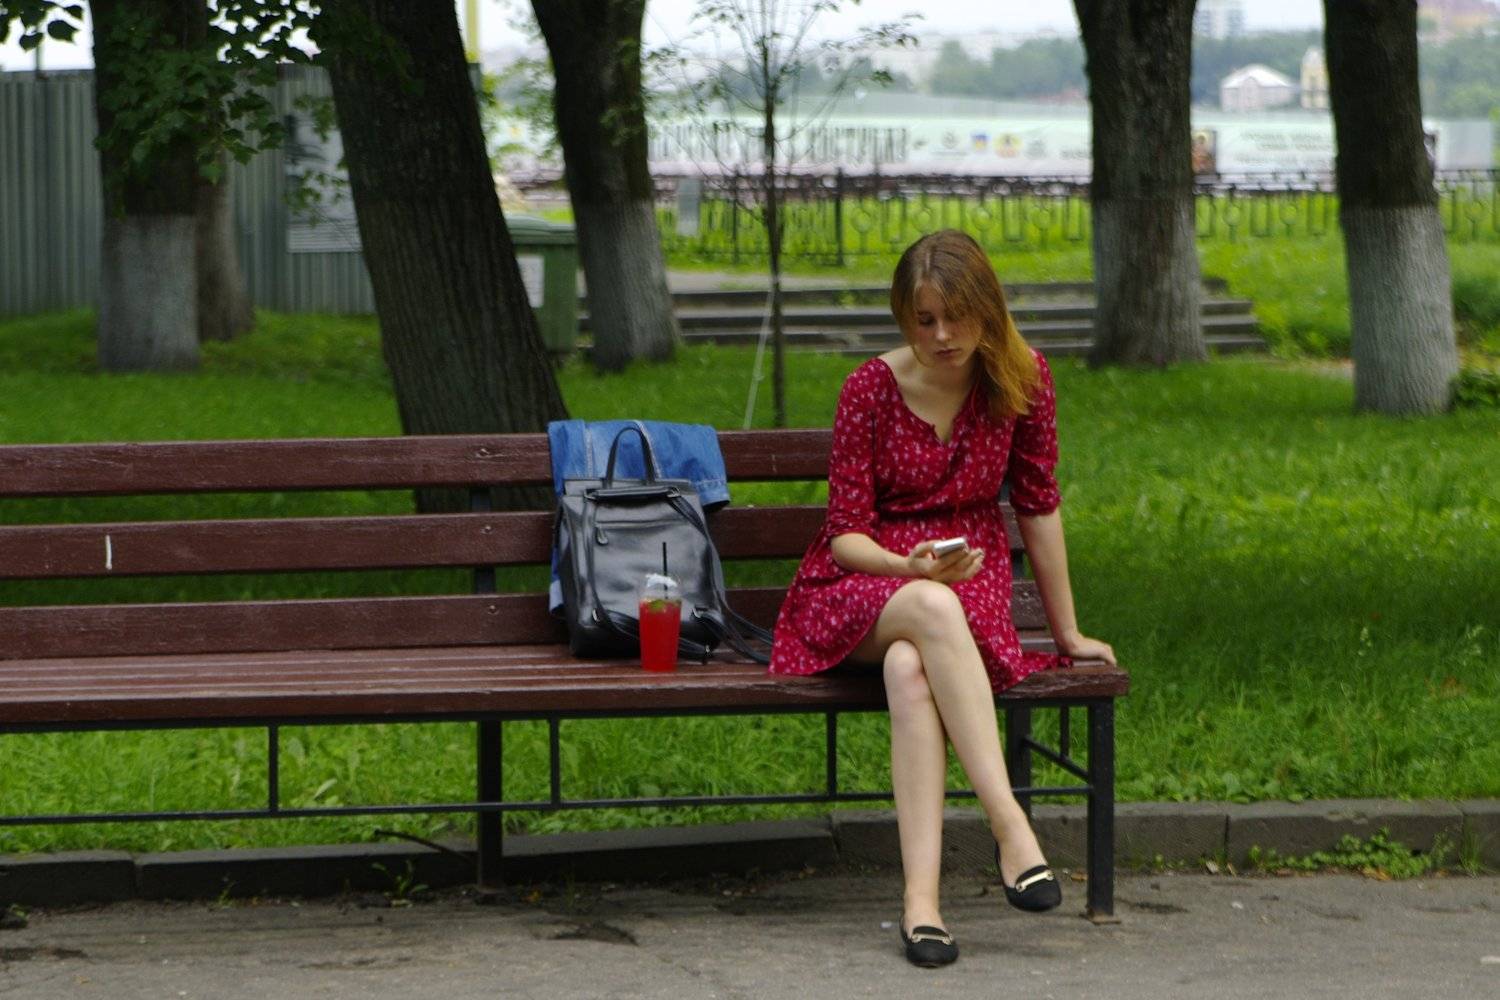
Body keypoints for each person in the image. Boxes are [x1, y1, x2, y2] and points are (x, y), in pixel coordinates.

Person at [769, 229, 1115, 968]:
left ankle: (921, 906)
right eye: (923, 320)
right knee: (928, 608)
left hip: (967, 583)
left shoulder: (1022, 379)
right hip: (860, 585)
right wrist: (907, 566)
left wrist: (1068, 631)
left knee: (909, 669)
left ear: (987, 309)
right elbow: (845, 535)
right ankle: (1009, 824)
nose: (941, 335)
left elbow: (1038, 503)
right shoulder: (869, 389)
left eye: (956, 316)